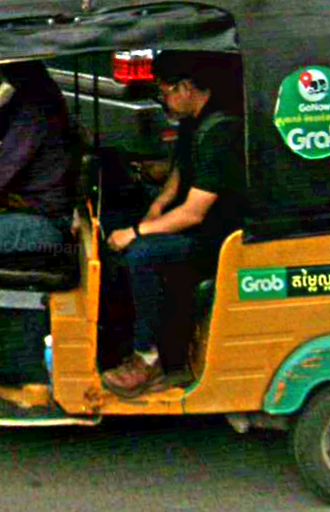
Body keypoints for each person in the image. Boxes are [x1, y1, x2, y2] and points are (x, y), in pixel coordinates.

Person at [101, 51, 244, 398]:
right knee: (118, 218)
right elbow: (179, 175)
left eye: (164, 92)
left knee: (142, 254)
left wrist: (137, 233)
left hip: (217, 238)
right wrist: (155, 208)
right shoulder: (194, 122)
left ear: (186, 88)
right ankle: (118, 333)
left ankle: (149, 356)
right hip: (196, 226)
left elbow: (193, 213)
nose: (163, 100)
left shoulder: (222, 132)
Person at [0, 61, 75, 256]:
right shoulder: (29, 95)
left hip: (44, 222)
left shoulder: (36, 107)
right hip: (31, 210)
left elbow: (5, 170)